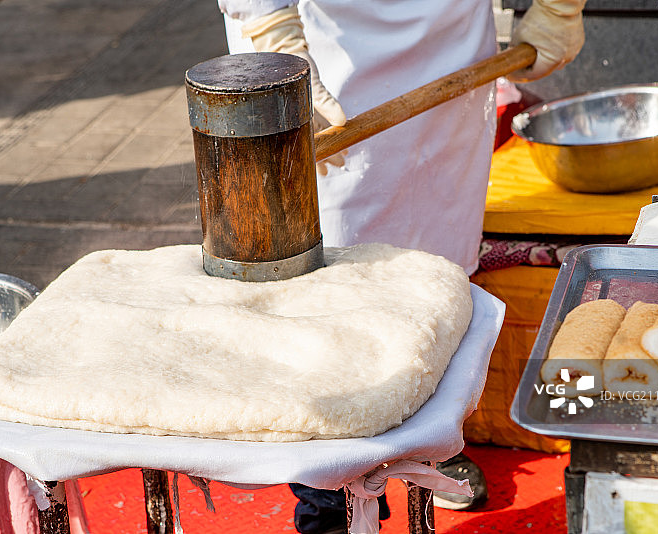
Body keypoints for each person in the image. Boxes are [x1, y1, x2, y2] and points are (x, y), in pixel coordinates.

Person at [216, 0, 587, 531]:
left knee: (441, 258)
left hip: (448, 42)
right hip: (315, 42)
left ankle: (430, 438)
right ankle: (329, 497)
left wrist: (559, 4)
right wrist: (274, 34)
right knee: (321, 285)